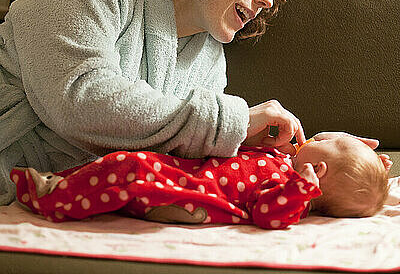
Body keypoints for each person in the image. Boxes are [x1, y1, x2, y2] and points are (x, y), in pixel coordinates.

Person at [0, 0, 307, 206]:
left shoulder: (210, 60)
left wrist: (259, 150)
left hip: (67, 205)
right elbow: (79, 99)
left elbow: (185, 164)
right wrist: (234, 123)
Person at [11, 132, 391, 229]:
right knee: (119, 164)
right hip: (188, 173)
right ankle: (59, 181)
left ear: (319, 173)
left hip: (194, 198)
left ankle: (52, 199)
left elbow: (267, 215)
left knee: (131, 170)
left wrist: (303, 187)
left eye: (331, 142)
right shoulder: (285, 159)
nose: (321, 137)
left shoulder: (295, 196)